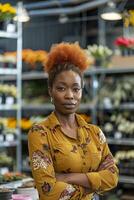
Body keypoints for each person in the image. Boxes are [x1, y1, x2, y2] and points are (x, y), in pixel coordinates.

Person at [28, 42, 118, 200]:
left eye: (76, 89)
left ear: (82, 91)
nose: (70, 95)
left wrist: (67, 178)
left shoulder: (95, 133)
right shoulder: (40, 133)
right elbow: (48, 191)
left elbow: (112, 177)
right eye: (61, 88)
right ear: (51, 91)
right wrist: (93, 183)